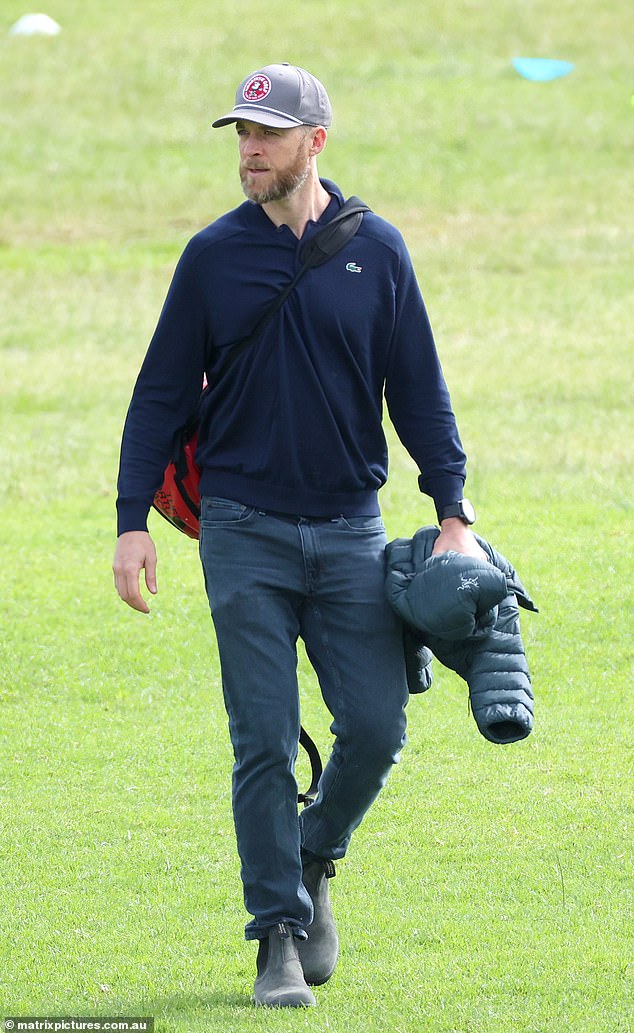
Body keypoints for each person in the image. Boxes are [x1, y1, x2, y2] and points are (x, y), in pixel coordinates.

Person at [113, 62, 485, 1008]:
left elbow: (421, 393)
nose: (248, 150)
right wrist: (128, 523)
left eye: (267, 135)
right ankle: (277, 933)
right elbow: (159, 393)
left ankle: (315, 854)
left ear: (314, 143)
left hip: (352, 530)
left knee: (375, 725)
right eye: (241, 133)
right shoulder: (212, 257)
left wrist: (454, 514)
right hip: (242, 530)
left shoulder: (379, 252)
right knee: (264, 736)